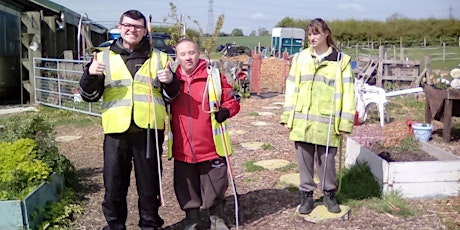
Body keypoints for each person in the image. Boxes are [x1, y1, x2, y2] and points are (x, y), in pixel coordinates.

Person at [79, 10, 180, 230]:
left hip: (149, 133)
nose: (132, 30)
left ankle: (150, 225)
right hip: (116, 132)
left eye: (137, 27)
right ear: (119, 27)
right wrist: (90, 74)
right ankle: (115, 226)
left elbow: (172, 95)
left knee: (149, 186)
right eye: (128, 25)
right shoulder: (102, 56)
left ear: (145, 31)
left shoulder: (161, 58)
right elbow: (89, 95)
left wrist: (171, 81)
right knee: (114, 185)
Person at [280, 18, 355, 215]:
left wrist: (346, 121)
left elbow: (348, 92)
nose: (312, 37)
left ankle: (329, 194)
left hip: (328, 122)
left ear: (326, 34)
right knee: (304, 162)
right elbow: (291, 88)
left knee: (327, 162)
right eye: (310, 34)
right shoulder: (299, 59)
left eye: (316, 33)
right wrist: (288, 116)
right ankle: (306, 197)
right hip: (302, 120)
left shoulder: (341, 61)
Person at [168, 38, 241, 230]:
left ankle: (216, 217)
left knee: (216, 185)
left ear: (198, 53)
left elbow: (232, 98)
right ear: (177, 57)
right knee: (186, 187)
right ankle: (192, 219)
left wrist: (227, 110)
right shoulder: (171, 80)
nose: (188, 58)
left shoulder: (213, 76)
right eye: (182, 54)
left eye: (191, 52)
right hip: (183, 147)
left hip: (211, 145)